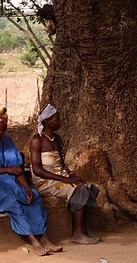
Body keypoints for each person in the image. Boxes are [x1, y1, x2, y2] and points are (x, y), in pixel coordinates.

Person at [0, 108, 59, 255]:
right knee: (12, 202)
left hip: (10, 181)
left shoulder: (7, 141)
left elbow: (17, 169)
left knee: (34, 197)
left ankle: (43, 238)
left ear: (5, 130)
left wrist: (26, 187)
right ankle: (32, 240)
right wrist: (5, 170)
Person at [29, 104, 101, 245]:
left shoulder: (57, 139)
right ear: (47, 121)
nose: (60, 122)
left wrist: (71, 174)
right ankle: (77, 233)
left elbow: (61, 164)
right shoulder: (37, 140)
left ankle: (85, 230)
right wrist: (63, 179)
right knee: (78, 189)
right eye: (57, 119)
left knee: (89, 188)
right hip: (44, 181)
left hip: (58, 177)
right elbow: (37, 169)